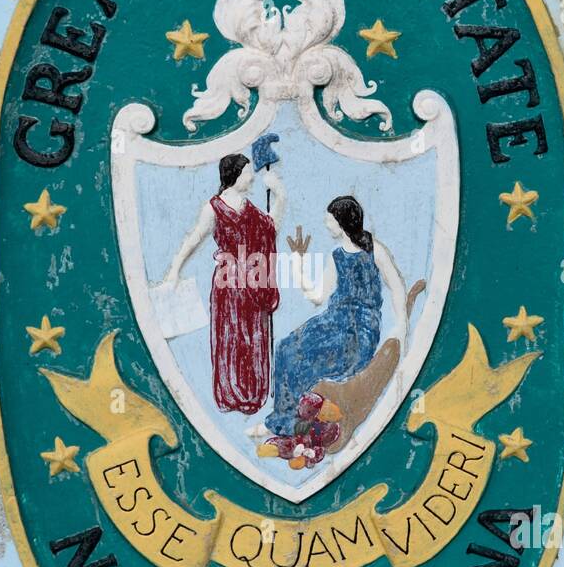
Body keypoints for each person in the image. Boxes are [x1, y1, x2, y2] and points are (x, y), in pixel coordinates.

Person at [255, 195, 407, 439]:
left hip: (360, 329)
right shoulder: (336, 256)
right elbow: (317, 296)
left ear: (341, 221)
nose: (326, 224)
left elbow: (397, 286)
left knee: (309, 358)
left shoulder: (374, 249)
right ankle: (286, 420)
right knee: (286, 347)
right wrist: (298, 261)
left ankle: (297, 419)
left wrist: (401, 327)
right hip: (334, 320)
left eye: (330, 220)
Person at [164, 153, 286, 414]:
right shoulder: (214, 207)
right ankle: (231, 394)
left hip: (253, 284)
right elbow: (196, 237)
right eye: (247, 172)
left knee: (254, 337)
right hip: (228, 284)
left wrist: (280, 196)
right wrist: (175, 268)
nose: (251, 176)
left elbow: (269, 230)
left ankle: (253, 394)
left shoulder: (249, 206)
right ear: (235, 175)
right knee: (231, 336)